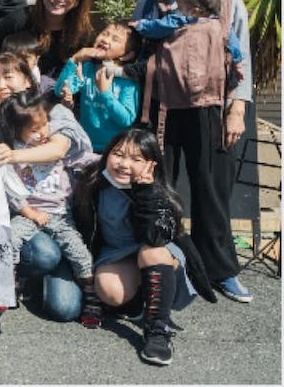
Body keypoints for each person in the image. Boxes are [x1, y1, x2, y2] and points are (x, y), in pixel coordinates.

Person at [131, 0, 254, 303]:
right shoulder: (152, 1)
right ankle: (166, 264)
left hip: (211, 108)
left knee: (211, 190)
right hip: (160, 108)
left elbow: (241, 58)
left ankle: (221, 270)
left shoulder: (226, 0)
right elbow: (136, 49)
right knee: (159, 188)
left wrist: (237, 109)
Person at [73, 127, 216, 366]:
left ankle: (157, 330)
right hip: (116, 253)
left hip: (156, 252)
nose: (124, 164)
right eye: (118, 154)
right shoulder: (94, 182)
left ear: (151, 164)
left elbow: (156, 238)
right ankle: (139, 301)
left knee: (151, 252)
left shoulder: (158, 191)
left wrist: (146, 193)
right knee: (110, 291)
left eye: (136, 159)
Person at [0, 91, 99, 328]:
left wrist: (108, 160)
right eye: (34, 129)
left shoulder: (54, 147)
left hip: (61, 215)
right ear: (17, 130)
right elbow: (10, 189)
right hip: (28, 214)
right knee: (11, 239)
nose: (43, 133)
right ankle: (8, 286)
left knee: (80, 253)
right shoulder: (12, 152)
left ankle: (92, 298)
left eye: (45, 124)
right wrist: (29, 212)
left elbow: (82, 159)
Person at [54, 22, 142, 152]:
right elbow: (59, 91)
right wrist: (74, 59)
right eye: (104, 34)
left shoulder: (127, 81)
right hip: (84, 144)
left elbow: (126, 119)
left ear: (126, 55)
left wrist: (105, 93)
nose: (105, 39)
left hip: (114, 149)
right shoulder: (87, 68)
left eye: (115, 39)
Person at [134, 0, 244, 71]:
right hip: (211, 71)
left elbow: (159, 27)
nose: (178, 10)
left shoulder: (182, 20)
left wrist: (140, 25)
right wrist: (237, 62)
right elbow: (233, 44)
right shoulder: (221, 25)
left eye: (180, 8)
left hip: (182, 70)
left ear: (194, 11)